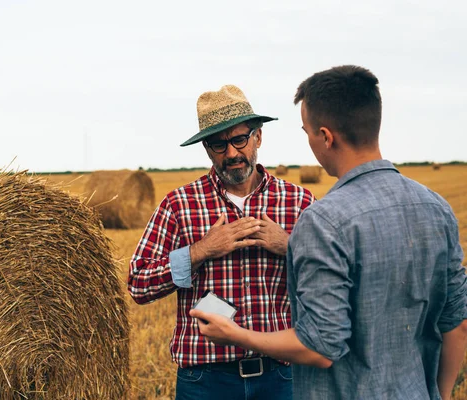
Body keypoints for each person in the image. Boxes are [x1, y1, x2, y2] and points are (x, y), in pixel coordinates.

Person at [190, 65, 467, 399]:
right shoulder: (438, 208)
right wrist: (438, 393)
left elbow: (321, 347)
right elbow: (458, 324)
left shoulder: (322, 219)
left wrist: (238, 335)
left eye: (307, 132)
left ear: (325, 136)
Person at [128, 84, 315, 400]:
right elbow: (139, 284)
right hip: (205, 381)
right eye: (218, 144)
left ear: (257, 136)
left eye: (239, 139)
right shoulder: (179, 204)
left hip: (281, 376)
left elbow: (334, 279)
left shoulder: (297, 201)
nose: (231, 153)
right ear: (206, 148)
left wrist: (290, 247)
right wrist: (200, 251)